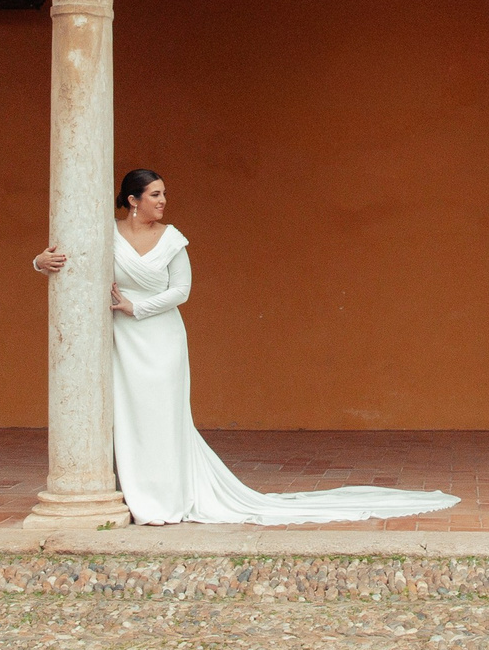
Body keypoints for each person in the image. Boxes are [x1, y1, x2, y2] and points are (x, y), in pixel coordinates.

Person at [33, 169, 459, 527]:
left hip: (160, 338)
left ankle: (165, 498)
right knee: (128, 414)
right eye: (156, 195)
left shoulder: (172, 239)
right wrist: (40, 263)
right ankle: (134, 493)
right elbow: (68, 259)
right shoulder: (106, 233)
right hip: (120, 342)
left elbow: (182, 290)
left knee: (162, 414)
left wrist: (135, 305)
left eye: (164, 194)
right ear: (133, 200)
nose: (163, 201)